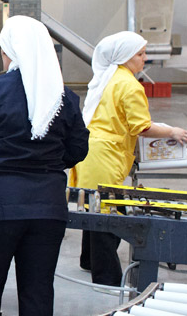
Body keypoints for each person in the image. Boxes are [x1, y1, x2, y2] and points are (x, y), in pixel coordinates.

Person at [0, 16, 89, 316]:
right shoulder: (64, 98)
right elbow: (78, 149)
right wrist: (47, 162)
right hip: (48, 207)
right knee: (38, 290)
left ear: (11, 51)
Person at [69, 31, 187, 288]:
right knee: (110, 216)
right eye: (140, 54)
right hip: (106, 156)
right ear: (125, 57)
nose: (145, 59)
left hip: (92, 152)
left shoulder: (107, 78)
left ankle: (88, 260)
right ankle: (107, 277)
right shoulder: (129, 85)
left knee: (95, 206)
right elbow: (141, 127)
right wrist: (172, 131)